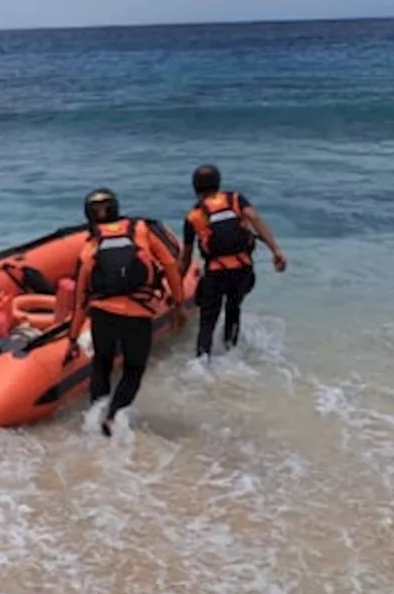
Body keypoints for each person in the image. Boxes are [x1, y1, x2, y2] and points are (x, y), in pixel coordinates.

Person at [66, 188, 186, 437]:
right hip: (138, 314)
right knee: (133, 368)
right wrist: (178, 304)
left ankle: (97, 416)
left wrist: (72, 338)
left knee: (102, 364)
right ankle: (113, 415)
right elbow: (170, 265)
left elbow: (79, 299)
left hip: (103, 315)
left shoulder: (90, 246)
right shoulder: (142, 230)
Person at [179, 164, 287, 358]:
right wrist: (276, 250)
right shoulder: (235, 199)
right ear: (219, 183)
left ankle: (202, 363)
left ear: (195, 188)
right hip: (242, 269)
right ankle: (231, 351)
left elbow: (186, 259)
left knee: (207, 321)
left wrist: (175, 286)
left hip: (215, 273)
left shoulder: (193, 216)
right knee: (233, 307)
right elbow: (256, 220)